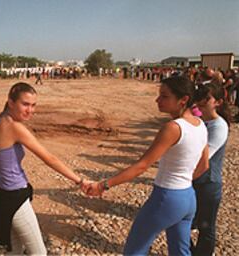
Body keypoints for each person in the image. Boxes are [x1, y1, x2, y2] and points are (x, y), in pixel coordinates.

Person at [0, 82, 87, 255]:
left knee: (16, 249)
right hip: (14, 197)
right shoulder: (15, 128)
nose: (30, 110)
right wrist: (80, 180)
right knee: (39, 253)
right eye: (25, 104)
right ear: (11, 103)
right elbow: (49, 158)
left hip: (1, 194)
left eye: (33, 105)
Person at [85, 76, 209, 256]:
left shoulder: (173, 128)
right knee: (181, 251)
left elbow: (141, 166)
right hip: (188, 198)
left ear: (184, 99)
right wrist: (183, 184)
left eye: (164, 96)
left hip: (167, 198)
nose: (157, 100)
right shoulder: (200, 125)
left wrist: (103, 185)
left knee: (134, 251)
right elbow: (204, 165)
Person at [190, 83, 230, 256]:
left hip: (207, 183)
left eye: (207, 99)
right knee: (184, 222)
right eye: (201, 97)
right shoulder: (200, 122)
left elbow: (203, 157)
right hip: (195, 180)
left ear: (218, 102)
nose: (202, 102)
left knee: (206, 226)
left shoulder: (218, 126)